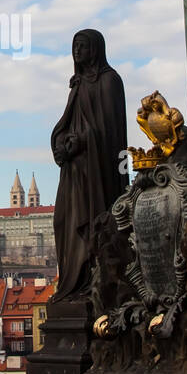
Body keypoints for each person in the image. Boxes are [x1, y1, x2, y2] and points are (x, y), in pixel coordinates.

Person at [51, 30, 127, 302]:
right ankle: (72, 283)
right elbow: (66, 122)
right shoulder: (78, 84)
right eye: (74, 47)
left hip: (98, 172)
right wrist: (61, 142)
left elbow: (110, 132)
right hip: (73, 171)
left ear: (95, 49)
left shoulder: (110, 81)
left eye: (82, 46)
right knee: (63, 221)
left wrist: (81, 141)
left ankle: (92, 282)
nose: (77, 52)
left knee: (92, 224)